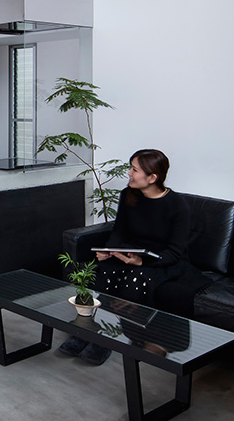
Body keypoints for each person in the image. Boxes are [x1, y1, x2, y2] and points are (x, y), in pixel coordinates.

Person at [58, 148, 207, 365]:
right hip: (130, 252)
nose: (129, 173)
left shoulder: (177, 206)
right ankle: (87, 331)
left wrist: (142, 260)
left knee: (137, 277)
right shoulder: (128, 196)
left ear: (152, 177)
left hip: (162, 260)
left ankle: (108, 339)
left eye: (134, 170)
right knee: (105, 271)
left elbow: (174, 252)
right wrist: (109, 251)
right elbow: (119, 232)